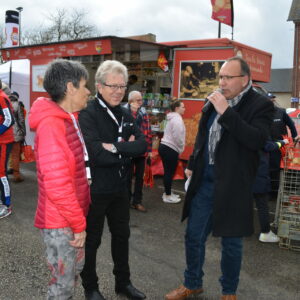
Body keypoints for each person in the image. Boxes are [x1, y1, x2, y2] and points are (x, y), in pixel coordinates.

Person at [165, 57, 274, 300]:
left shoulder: (260, 105)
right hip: (206, 179)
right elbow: (203, 137)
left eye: (228, 77)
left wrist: (226, 111)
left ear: (244, 79)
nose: (222, 82)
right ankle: (192, 283)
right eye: (221, 77)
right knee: (193, 235)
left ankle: (229, 292)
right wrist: (193, 164)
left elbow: (256, 140)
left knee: (231, 243)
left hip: (235, 183)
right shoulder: (212, 100)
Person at [79, 60, 147, 300]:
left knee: (122, 237)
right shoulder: (88, 113)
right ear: (99, 86)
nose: (119, 91)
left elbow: (142, 145)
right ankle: (91, 287)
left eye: (123, 86)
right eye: (113, 86)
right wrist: (125, 149)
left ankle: (123, 283)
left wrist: (115, 148)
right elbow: (95, 153)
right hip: (96, 188)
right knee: (92, 241)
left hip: (120, 187)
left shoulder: (126, 113)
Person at [28, 59, 91, 299]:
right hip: (61, 221)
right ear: (70, 87)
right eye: (85, 85)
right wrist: (78, 224)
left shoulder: (68, 118)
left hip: (68, 218)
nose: (88, 91)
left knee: (72, 275)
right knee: (62, 286)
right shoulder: (53, 125)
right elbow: (57, 185)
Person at [253, 139, 289, 243]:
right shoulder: (259, 129)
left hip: (246, 174)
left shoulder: (244, 129)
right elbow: (268, 146)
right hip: (259, 174)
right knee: (262, 205)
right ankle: (265, 233)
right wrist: (283, 142)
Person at [268, 93, 300, 200]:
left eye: (272, 100)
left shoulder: (281, 112)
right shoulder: (262, 113)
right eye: (268, 100)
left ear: (274, 101)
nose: (271, 102)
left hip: (280, 147)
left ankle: (275, 194)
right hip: (267, 145)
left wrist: (295, 136)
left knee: (276, 170)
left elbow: (291, 125)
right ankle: (268, 192)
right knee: (266, 169)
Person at [124, 90, 152, 212]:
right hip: (128, 150)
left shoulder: (144, 112)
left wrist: (149, 149)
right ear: (131, 101)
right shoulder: (123, 111)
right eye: (138, 100)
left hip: (141, 150)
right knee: (127, 177)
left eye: (141, 100)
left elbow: (148, 131)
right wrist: (133, 113)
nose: (141, 102)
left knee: (140, 177)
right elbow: (126, 128)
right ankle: (126, 200)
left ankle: (137, 201)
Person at [158, 99, 186, 204]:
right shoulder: (177, 120)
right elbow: (178, 137)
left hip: (166, 147)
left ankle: (167, 192)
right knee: (169, 173)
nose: (185, 109)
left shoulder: (173, 118)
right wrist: (181, 147)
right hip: (170, 148)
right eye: (183, 107)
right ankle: (168, 195)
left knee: (168, 172)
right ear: (177, 108)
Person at [0, 79, 14, 219]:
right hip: (2, 140)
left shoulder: (1, 97)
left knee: (1, 173)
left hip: (4, 142)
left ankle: (7, 205)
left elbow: (9, 120)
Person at [9, 91, 26, 182]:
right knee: (15, 156)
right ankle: (16, 176)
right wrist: (23, 133)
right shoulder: (17, 105)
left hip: (5, 134)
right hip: (16, 134)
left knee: (3, 156)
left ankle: (2, 176)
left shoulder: (4, 104)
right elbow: (21, 120)